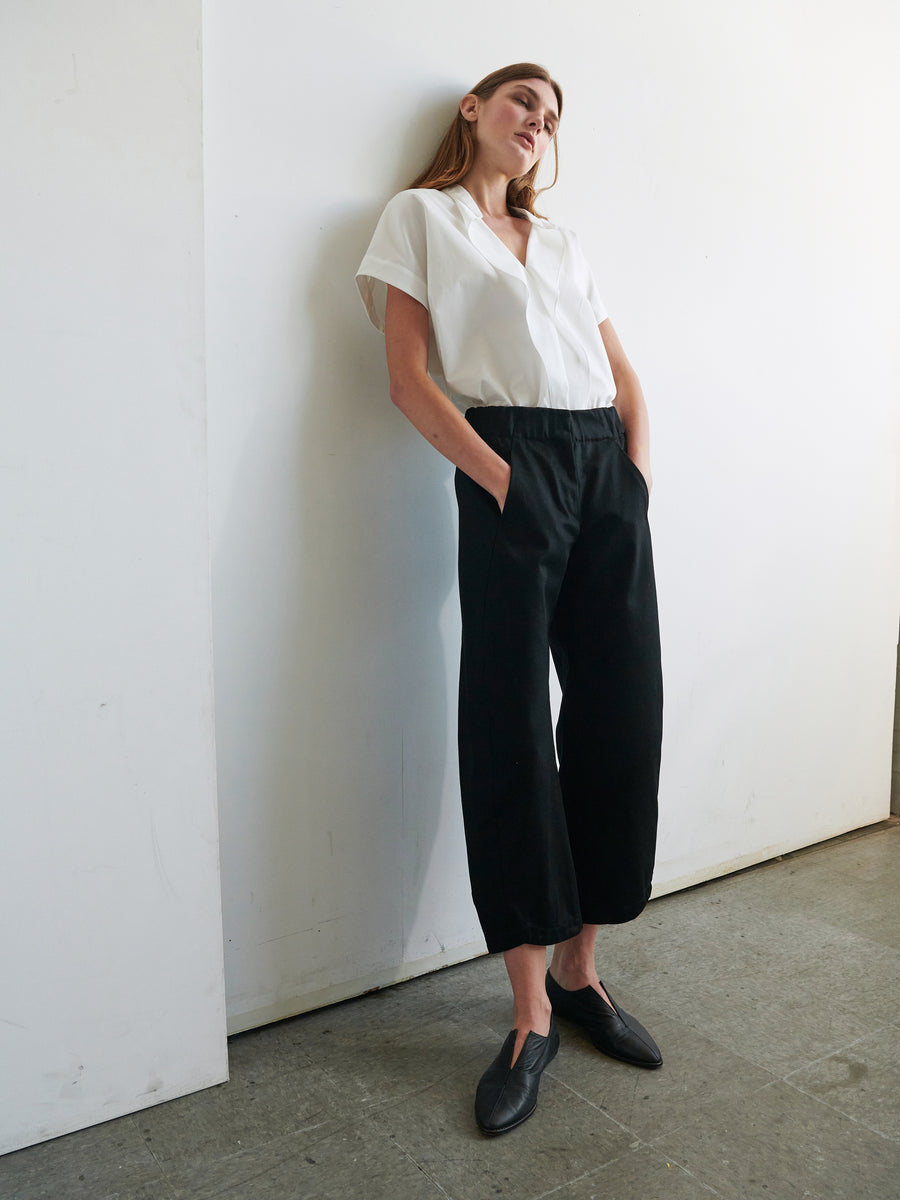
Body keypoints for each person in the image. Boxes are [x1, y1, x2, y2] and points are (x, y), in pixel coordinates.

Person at [356, 63, 664, 1136]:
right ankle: (530, 1011)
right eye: (521, 100)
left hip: (600, 467)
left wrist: (633, 466)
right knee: (509, 727)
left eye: (552, 113)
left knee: (625, 716)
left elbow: (619, 368)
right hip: (511, 462)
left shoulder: (567, 243)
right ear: (473, 110)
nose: (538, 120)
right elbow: (407, 377)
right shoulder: (422, 218)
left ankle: (584, 970)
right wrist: (500, 481)